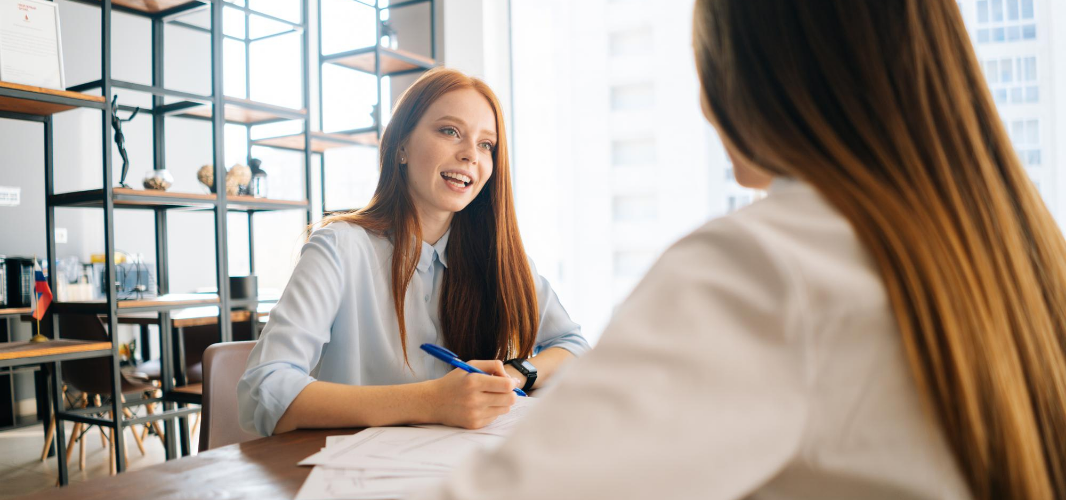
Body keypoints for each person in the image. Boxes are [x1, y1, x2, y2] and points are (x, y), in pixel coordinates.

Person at [412, 1, 1066, 499]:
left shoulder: (769, 266)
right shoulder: (1025, 253)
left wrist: (523, 374)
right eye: (450, 133)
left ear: (751, 72)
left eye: (703, 57)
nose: (702, 101)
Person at [237, 68, 590, 436]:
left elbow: (574, 345)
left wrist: (515, 374)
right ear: (401, 146)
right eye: (450, 131)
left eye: (486, 144)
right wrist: (432, 401)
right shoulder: (339, 248)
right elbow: (264, 389)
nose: (471, 154)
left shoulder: (496, 257)